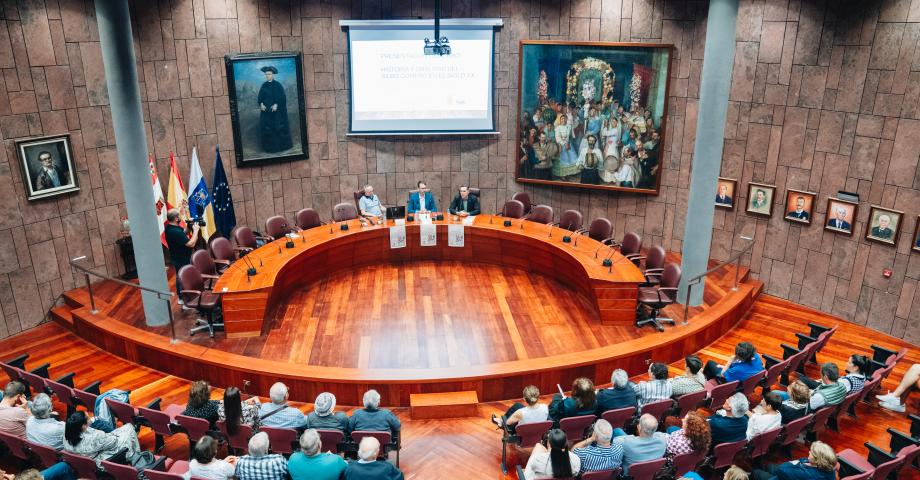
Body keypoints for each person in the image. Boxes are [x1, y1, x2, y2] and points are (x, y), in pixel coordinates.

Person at [63, 411, 141, 467]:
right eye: (88, 418)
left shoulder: (67, 434)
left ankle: (136, 457)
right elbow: (114, 442)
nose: (90, 418)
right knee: (129, 428)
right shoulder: (95, 437)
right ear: (83, 426)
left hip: (86, 461)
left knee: (124, 430)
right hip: (101, 461)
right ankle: (138, 460)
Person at [751, 441, 836, 480]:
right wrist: (798, 462)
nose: (809, 452)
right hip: (790, 472)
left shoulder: (806, 474)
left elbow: (782, 469)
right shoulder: (830, 470)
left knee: (756, 472)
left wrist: (793, 463)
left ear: (818, 460)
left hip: (783, 474)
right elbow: (803, 460)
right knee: (769, 466)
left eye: (812, 453)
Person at [165, 209, 200, 298]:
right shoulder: (174, 231)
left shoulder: (171, 227)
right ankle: (182, 298)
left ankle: (186, 296)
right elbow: (191, 244)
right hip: (180, 258)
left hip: (180, 257)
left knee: (182, 276)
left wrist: (189, 225)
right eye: (179, 216)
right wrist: (195, 231)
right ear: (176, 218)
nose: (181, 217)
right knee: (181, 277)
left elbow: (184, 233)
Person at [257, 65, 292, 153]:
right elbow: (260, 97)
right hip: (266, 112)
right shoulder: (264, 85)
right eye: (266, 74)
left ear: (273, 75)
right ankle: (269, 148)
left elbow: (282, 98)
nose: (267, 76)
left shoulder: (278, 85)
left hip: (277, 113)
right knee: (267, 129)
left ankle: (280, 147)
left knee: (277, 127)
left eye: (269, 74)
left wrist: (276, 104)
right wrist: (261, 104)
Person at [797, 354, 868, 395]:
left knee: (801, 378)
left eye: (849, 362)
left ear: (856, 367)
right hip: (833, 388)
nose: (846, 363)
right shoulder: (863, 376)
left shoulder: (847, 382)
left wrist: (813, 391)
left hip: (825, 392)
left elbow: (830, 392)